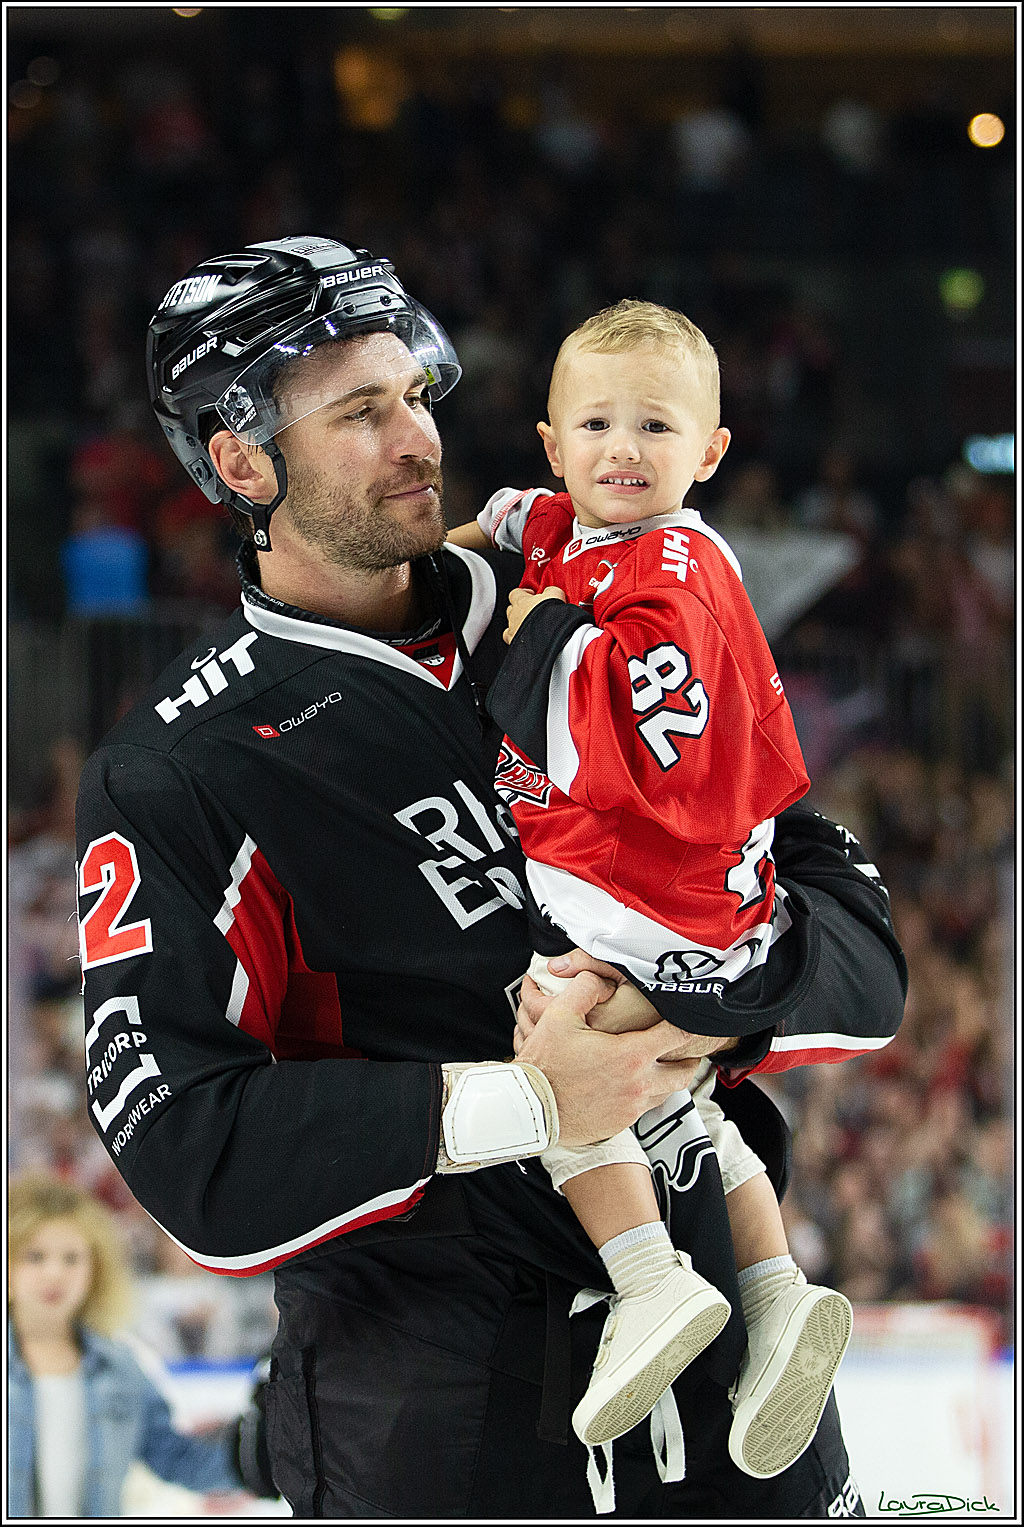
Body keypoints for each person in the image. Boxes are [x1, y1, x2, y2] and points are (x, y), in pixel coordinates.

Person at [76, 235, 906, 1518]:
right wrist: (526, 1099)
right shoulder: (178, 767)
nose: (418, 436)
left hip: (749, 1425)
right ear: (240, 460)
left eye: (415, 392)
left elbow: (843, 918)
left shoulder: (603, 593)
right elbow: (187, 1148)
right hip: (443, 1436)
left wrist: (712, 1001)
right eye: (362, 412)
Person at [448, 298, 852, 1477]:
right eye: (597, 424)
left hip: (645, 896)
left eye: (656, 428)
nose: (624, 450)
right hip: (707, 906)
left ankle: (648, 1279)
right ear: (553, 442)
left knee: (556, 1046)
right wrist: (492, 538)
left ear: (710, 453)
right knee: (677, 1100)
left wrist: (538, 642)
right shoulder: (590, 527)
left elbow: (627, 734)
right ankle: (774, 1295)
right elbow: (530, 526)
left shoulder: (674, 569)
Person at [7, 1172, 247, 1518]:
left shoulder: (121, 1366)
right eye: (36, 1256)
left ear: (96, 1269)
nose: (55, 1273)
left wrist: (264, 1452)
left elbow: (178, 1458)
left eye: (72, 1258)